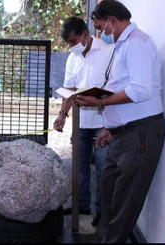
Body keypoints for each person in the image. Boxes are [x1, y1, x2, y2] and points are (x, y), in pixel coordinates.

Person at [73, 0, 165, 242]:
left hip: (141, 133)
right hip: (123, 132)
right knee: (110, 194)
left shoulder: (137, 44)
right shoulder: (123, 45)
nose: (100, 33)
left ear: (113, 22)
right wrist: (109, 126)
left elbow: (140, 90)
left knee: (125, 202)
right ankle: (105, 238)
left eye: (101, 27)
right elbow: (120, 85)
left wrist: (100, 103)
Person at [53, 16, 112, 227]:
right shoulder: (73, 58)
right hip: (80, 121)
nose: (71, 46)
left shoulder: (107, 52)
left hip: (103, 120)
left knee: (103, 167)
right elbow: (68, 89)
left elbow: (114, 88)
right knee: (80, 166)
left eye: (73, 41)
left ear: (85, 35)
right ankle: (82, 205)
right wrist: (62, 114)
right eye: (68, 43)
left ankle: (102, 212)